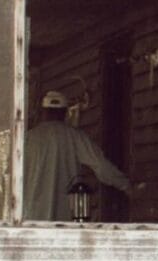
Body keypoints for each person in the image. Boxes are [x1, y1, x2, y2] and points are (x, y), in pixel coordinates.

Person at [22, 90, 132, 221]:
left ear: (43, 112)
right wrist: (126, 185)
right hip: (66, 219)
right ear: (64, 113)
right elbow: (100, 165)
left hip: (33, 218)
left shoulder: (28, 139)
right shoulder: (75, 137)